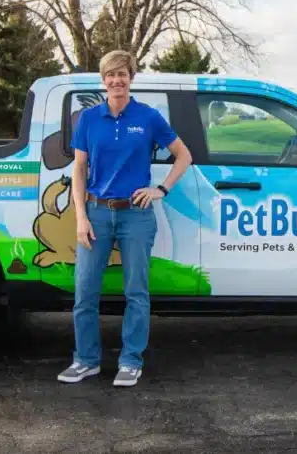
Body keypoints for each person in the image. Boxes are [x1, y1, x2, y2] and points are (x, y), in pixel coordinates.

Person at [57, 50, 193, 387]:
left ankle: (131, 360)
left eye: (123, 74)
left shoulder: (148, 117)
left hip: (136, 216)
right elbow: (78, 169)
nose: (117, 80)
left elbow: (184, 155)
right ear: (103, 80)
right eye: (110, 75)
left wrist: (161, 188)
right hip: (96, 214)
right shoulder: (88, 119)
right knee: (85, 292)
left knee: (136, 292)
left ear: (131, 77)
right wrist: (80, 218)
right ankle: (85, 360)